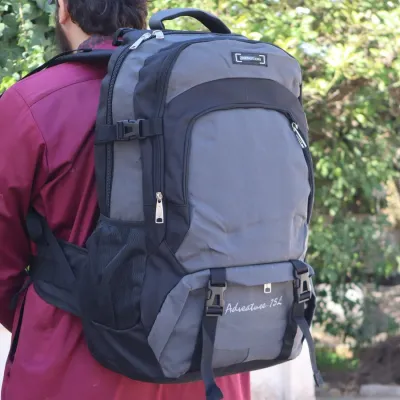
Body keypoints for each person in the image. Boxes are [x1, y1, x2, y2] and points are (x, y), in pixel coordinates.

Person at [0, 1, 250, 399]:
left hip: (75, 365)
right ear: (142, 8)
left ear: (63, 9)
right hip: (209, 362)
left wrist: (45, 317)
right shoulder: (216, 87)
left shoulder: (33, 101)